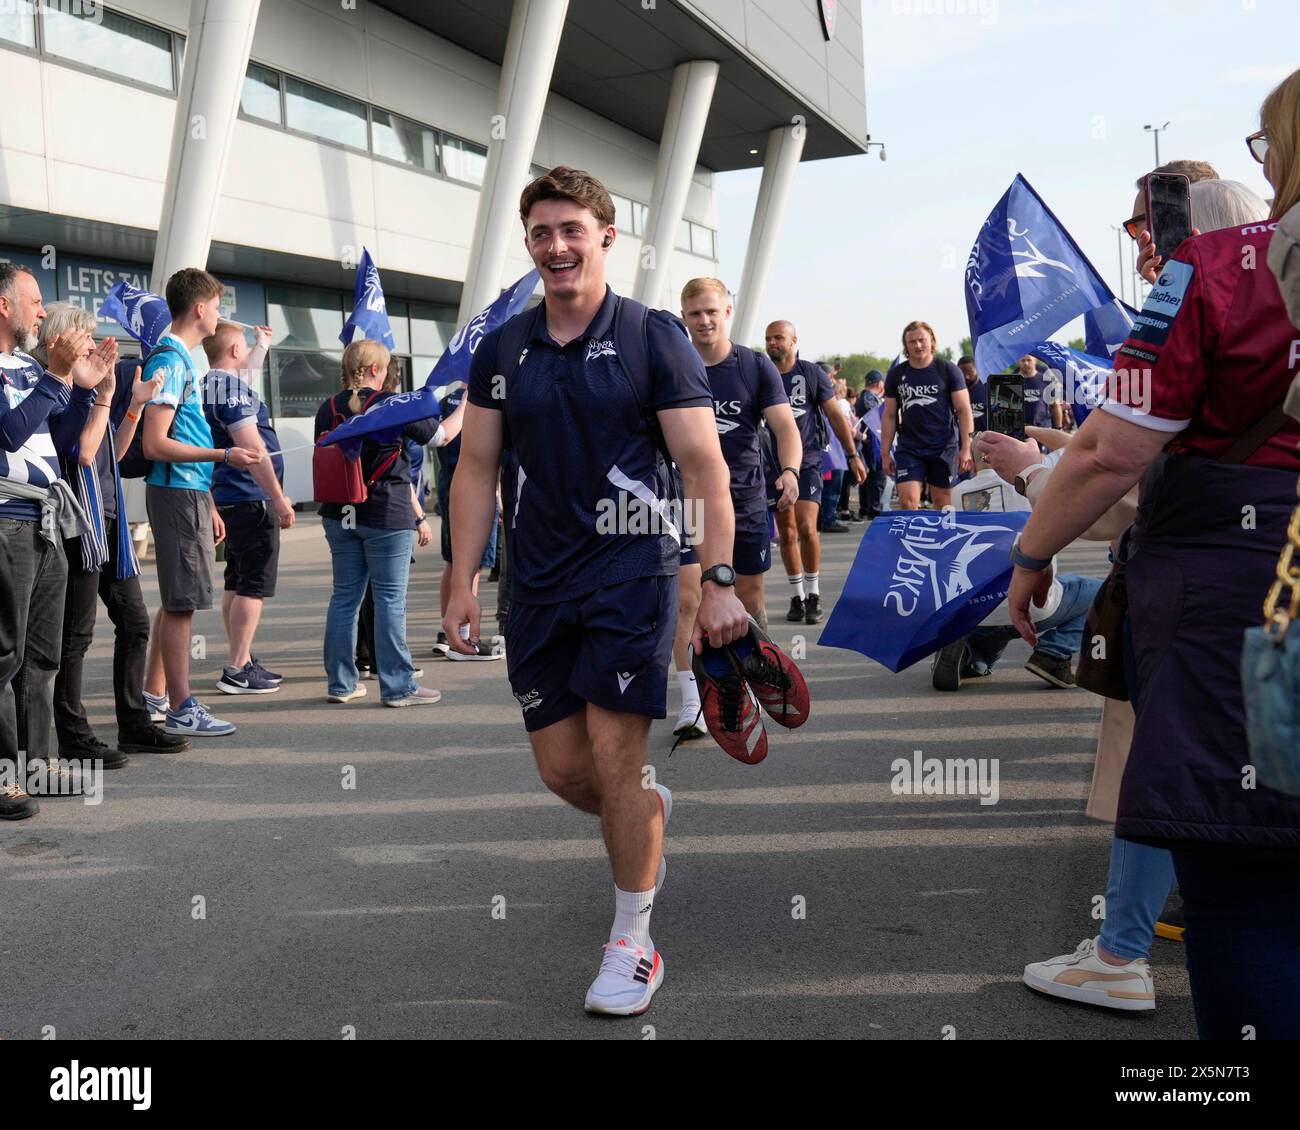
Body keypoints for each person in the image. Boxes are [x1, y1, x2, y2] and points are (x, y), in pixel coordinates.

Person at [1007, 68, 1300, 1039]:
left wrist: (1031, 554)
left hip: (1244, 605)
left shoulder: (1220, 266)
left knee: (1251, 899)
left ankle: (1125, 955)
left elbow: (1113, 447)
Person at [444, 166, 749, 1016]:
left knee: (618, 764)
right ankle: (644, 818)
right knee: (563, 771)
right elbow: (474, 466)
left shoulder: (654, 336)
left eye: (572, 230)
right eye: (541, 232)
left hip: (630, 573)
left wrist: (719, 581)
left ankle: (632, 944)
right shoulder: (504, 348)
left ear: (606, 238)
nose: (556, 246)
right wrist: (461, 578)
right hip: (536, 583)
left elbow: (704, 469)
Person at [32, 306, 189, 770]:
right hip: (78, 525)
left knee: (135, 623)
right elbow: (82, 454)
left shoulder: (84, 391)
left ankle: (135, 722)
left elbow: (112, 455)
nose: (93, 346)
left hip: (109, 523)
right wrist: (103, 395)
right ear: (59, 341)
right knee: (75, 636)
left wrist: (134, 404)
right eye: (83, 337)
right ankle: (74, 734)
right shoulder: (57, 392)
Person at [0, 264, 111, 818]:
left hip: (45, 524)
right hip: (7, 522)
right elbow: (9, 432)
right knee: (5, 656)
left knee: (43, 656)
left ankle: (37, 767)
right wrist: (57, 376)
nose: (42, 312)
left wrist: (93, 389)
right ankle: (4, 777)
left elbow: (64, 439)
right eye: (35, 301)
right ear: (4, 306)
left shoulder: (26, 363)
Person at [671, 277, 800, 739]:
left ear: (727, 311)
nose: (703, 321)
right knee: (689, 600)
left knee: (746, 599)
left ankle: (758, 673)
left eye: (711, 311)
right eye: (694, 314)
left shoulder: (753, 365)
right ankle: (695, 704)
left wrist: (789, 470)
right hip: (686, 501)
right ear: (683, 317)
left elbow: (785, 427)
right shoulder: (671, 364)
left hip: (744, 500)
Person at [140, 269, 261, 737]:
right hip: (176, 492)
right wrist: (223, 454)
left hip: (186, 492)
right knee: (181, 604)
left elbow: (174, 437)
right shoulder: (171, 360)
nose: (219, 314)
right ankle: (181, 705)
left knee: (177, 600)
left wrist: (207, 497)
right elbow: (155, 443)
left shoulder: (180, 358)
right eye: (216, 305)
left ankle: (159, 695)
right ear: (199, 309)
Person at [314, 340, 440, 707]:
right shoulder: (390, 404)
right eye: (384, 367)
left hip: (339, 512)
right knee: (389, 599)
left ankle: (341, 684)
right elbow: (439, 436)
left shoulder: (328, 408)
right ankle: (399, 687)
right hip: (386, 511)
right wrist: (466, 403)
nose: (387, 374)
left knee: (345, 597)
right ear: (374, 370)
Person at [202, 321, 294, 695]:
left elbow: (245, 379)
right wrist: (278, 497)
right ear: (235, 350)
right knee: (252, 586)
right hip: (249, 497)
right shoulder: (231, 389)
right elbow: (254, 451)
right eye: (245, 347)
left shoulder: (209, 384)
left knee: (237, 581)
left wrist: (262, 345)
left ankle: (241, 658)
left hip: (230, 497)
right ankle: (238, 666)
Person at [765, 320, 865, 624]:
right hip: (771, 463)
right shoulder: (760, 373)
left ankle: (814, 594)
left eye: (778, 338)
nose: (772, 343)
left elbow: (835, 415)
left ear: (794, 340)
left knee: (807, 527)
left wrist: (852, 455)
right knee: (787, 533)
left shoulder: (810, 373)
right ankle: (797, 597)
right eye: (768, 339)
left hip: (807, 460)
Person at [430, 382, 499, 661]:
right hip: (474, 491)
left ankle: (448, 630)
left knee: (454, 561)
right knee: (471, 563)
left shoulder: (445, 401)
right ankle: (465, 634)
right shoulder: (483, 398)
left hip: (451, 487)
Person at [882, 321, 974, 510]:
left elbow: (964, 410)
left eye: (921, 340)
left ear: (931, 340)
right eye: (912, 342)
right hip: (909, 448)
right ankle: (912, 539)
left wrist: (966, 447)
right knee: (907, 503)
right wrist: (885, 453)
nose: (917, 345)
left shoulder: (948, 370)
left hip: (942, 447)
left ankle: (942, 539)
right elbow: (890, 415)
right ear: (905, 345)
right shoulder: (896, 374)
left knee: (943, 504)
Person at [854, 370, 887, 520]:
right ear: (879, 383)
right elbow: (876, 417)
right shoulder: (869, 397)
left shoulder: (865, 396)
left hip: (869, 443)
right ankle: (873, 509)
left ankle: (866, 508)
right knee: (877, 477)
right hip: (872, 444)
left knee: (868, 476)